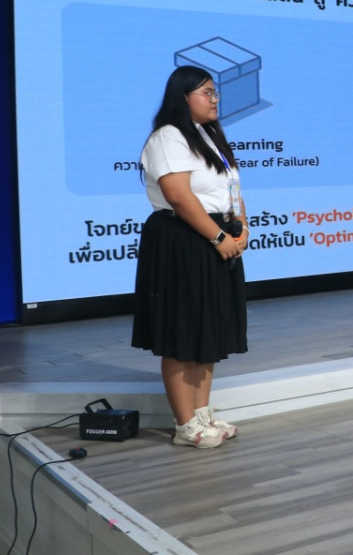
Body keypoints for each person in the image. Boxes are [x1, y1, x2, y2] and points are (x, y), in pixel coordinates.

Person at [131, 65, 250, 447]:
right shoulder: (168, 137)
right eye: (207, 92)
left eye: (215, 92)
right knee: (182, 331)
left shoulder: (207, 135)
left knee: (207, 329)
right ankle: (185, 425)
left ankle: (202, 414)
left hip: (216, 236)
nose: (215, 99)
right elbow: (179, 196)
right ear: (183, 97)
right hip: (184, 239)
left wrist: (241, 226)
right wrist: (218, 237)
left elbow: (230, 190)